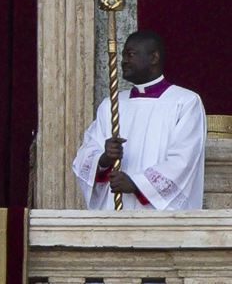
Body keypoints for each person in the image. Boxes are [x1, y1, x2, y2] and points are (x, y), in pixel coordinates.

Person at [72, 30, 207, 210]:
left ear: (153, 57)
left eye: (131, 54)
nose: (123, 61)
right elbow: (86, 153)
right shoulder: (111, 104)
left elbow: (183, 160)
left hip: (160, 220)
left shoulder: (185, 102)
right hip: (113, 213)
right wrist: (104, 159)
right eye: (123, 55)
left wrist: (137, 184)